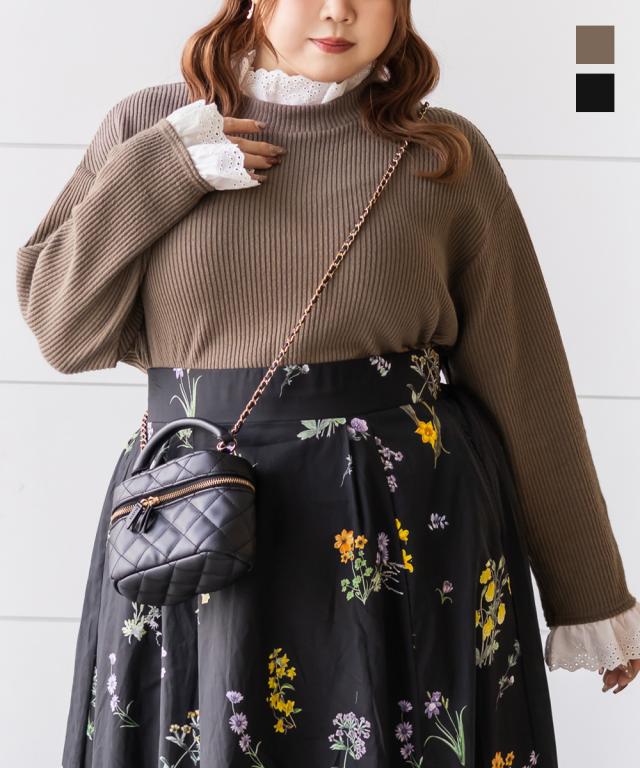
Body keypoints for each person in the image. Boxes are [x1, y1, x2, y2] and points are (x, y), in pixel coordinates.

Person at [15, 1, 639, 766]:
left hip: (406, 543)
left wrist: (590, 595)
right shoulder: (152, 126)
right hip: (195, 535)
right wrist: (163, 169)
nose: (339, 10)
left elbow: (525, 376)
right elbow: (63, 330)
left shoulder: (442, 152)